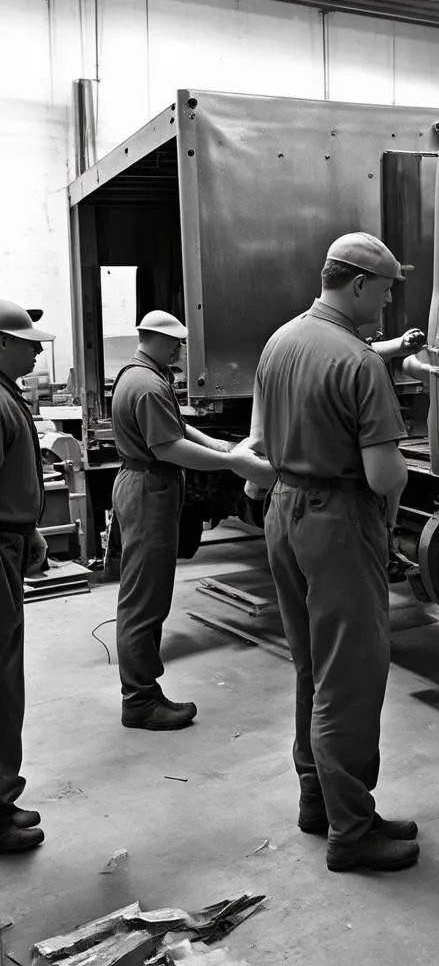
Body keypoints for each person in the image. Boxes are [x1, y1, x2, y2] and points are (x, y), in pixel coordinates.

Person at [243, 232, 418, 873]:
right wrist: (391, 514)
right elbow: (384, 476)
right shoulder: (358, 363)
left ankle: (321, 803)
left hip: (284, 509)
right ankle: (352, 832)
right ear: (361, 285)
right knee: (349, 677)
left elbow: (258, 440)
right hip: (340, 521)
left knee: (312, 666)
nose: (392, 297)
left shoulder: (281, 341)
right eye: (390, 286)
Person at [111, 310, 274, 731]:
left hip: (149, 486)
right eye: (178, 343)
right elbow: (169, 448)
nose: (182, 350)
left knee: (147, 597)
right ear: (160, 340)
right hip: (150, 490)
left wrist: (218, 443)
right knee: (144, 602)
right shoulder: (147, 384)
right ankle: (141, 700)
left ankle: (143, 692)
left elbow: (177, 426)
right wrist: (230, 463)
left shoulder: (142, 373)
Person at [0, 299, 54, 853]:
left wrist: (29, 527)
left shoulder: (6, 394)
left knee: (6, 678)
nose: (37, 347)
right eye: (26, 339)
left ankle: (1, 798)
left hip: (9, 540)